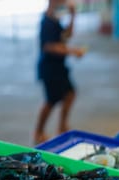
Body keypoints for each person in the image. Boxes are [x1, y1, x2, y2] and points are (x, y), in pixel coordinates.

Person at [35, 0, 86, 144]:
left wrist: (73, 16)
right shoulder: (46, 21)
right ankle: (38, 132)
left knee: (70, 93)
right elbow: (49, 47)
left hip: (59, 66)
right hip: (49, 67)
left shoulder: (55, 19)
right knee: (51, 101)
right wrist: (72, 51)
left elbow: (66, 36)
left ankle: (62, 127)